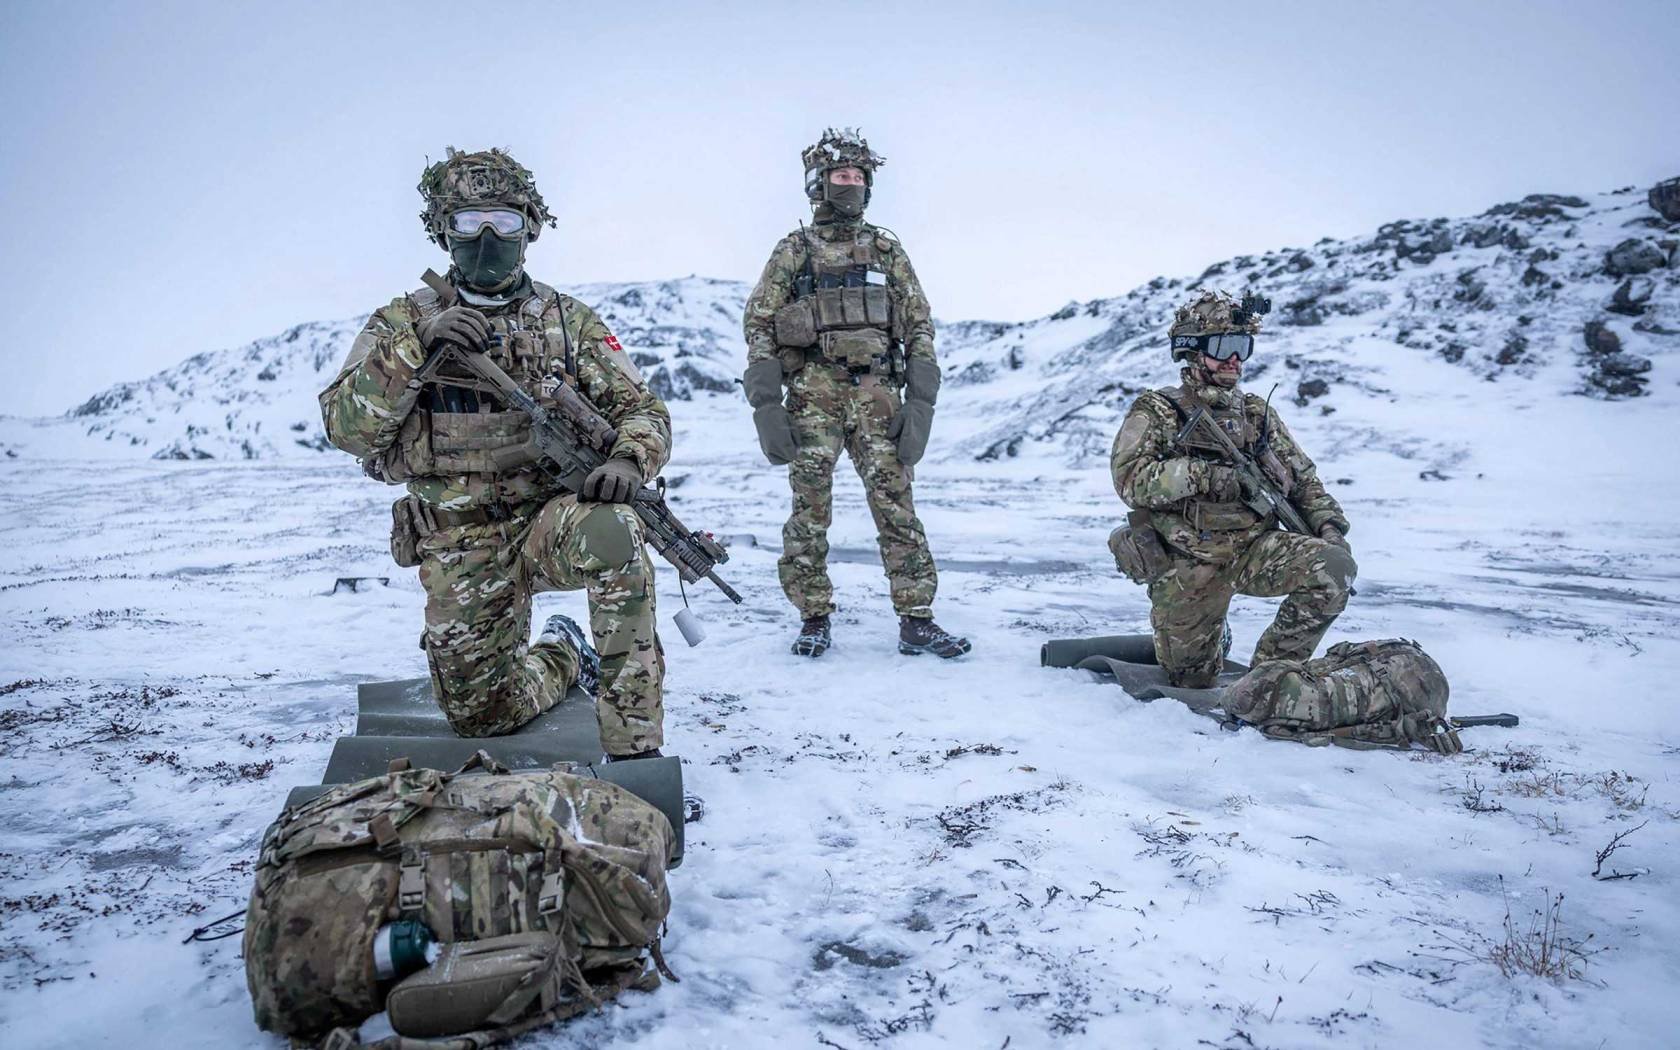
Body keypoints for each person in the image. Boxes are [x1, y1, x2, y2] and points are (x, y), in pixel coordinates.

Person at [319, 147, 670, 760]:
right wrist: (416, 348)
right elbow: (345, 427)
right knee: (483, 719)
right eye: (468, 223)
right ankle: (562, 652)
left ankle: (635, 754)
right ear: (442, 231)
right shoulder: (401, 321)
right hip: (457, 538)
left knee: (616, 534)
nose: (487, 238)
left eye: (504, 223)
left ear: (529, 228)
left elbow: (646, 410)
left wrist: (628, 460)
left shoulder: (569, 322)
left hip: (549, 522)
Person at [741, 128, 970, 659]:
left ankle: (917, 619)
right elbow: (759, 323)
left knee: (897, 507)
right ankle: (813, 616)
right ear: (818, 184)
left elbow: (919, 325)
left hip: (878, 396)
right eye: (841, 176)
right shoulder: (794, 250)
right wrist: (766, 405)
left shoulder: (887, 249)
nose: (850, 185)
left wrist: (921, 403)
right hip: (813, 395)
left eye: (858, 177)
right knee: (810, 510)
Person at [1110, 290, 1355, 688]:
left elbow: (1304, 480)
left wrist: (1328, 527)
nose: (1234, 359)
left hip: (1253, 550)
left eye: (1243, 346)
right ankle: (1212, 640)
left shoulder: (1256, 413)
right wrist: (1204, 476)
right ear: (1192, 351)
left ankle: (1269, 678)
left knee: (1333, 568)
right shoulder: (1159, 411)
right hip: (1189, 561)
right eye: (1224, 346)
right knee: (1191, 680)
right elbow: (1130, 479)